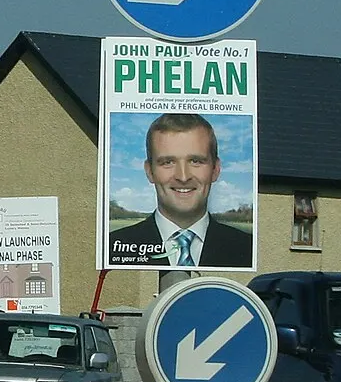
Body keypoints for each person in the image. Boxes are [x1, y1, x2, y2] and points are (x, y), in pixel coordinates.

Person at [106, 112, 253, 268]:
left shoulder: (246, 247)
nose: (183, 177)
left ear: (215, 169)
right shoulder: (113, 246)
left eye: (195, 161)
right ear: (149, 171)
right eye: (168, 162)